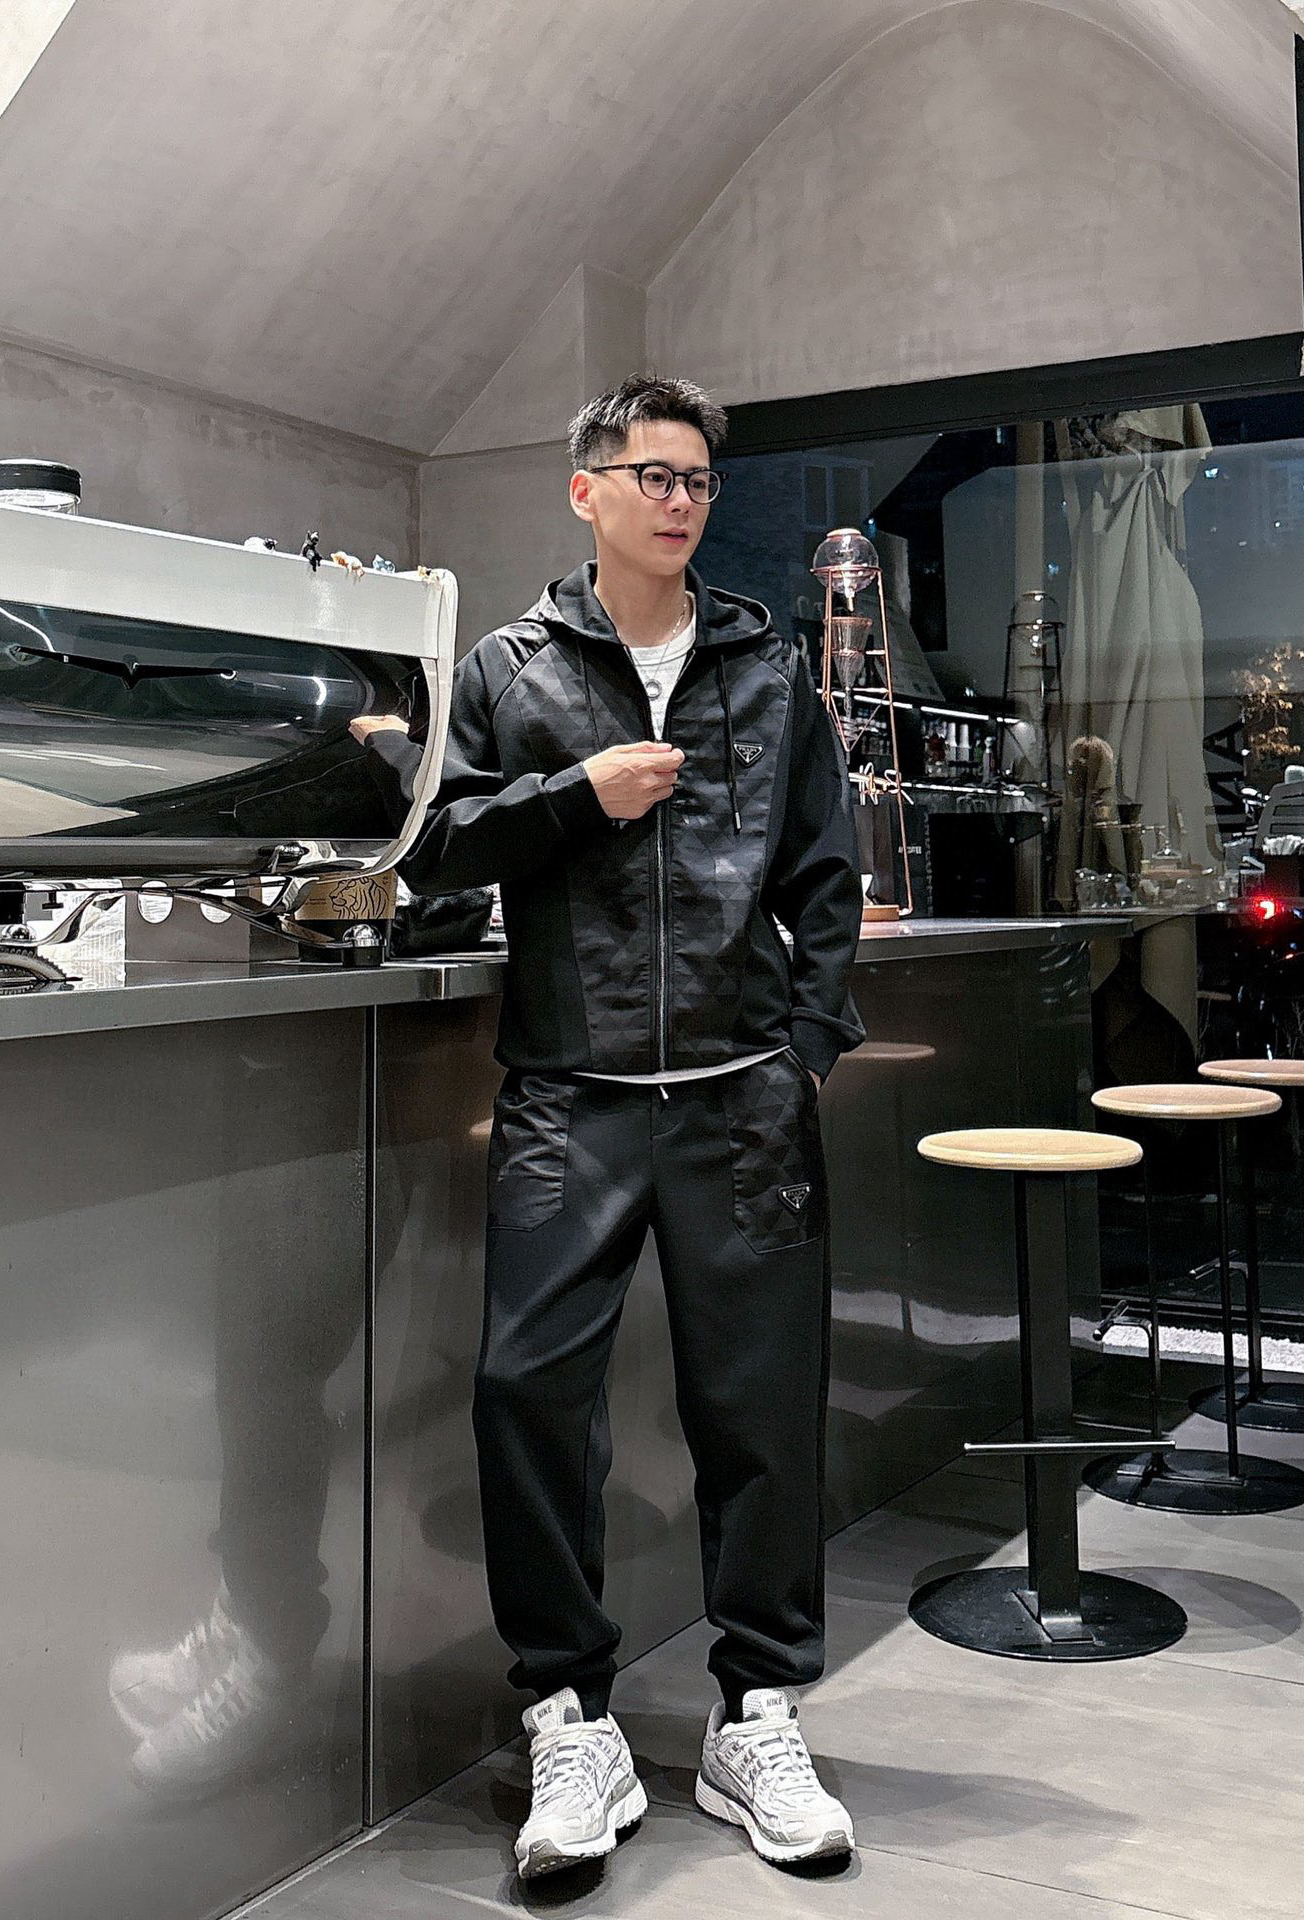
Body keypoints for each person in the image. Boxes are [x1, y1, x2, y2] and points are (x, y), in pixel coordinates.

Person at [390, 373, 864, 1878]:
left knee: (761, 1412)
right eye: (653, 475)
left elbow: (825, 876)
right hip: (567, 1098)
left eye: (699, 481)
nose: (681, 501)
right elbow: (433, 846)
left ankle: (757, 1712)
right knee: (527, 1398)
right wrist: (575, 795)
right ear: (585, 490)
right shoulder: (507, 667)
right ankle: (570, 1718)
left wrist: (803, 1052)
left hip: (741, 1098)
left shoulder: (768, 668)